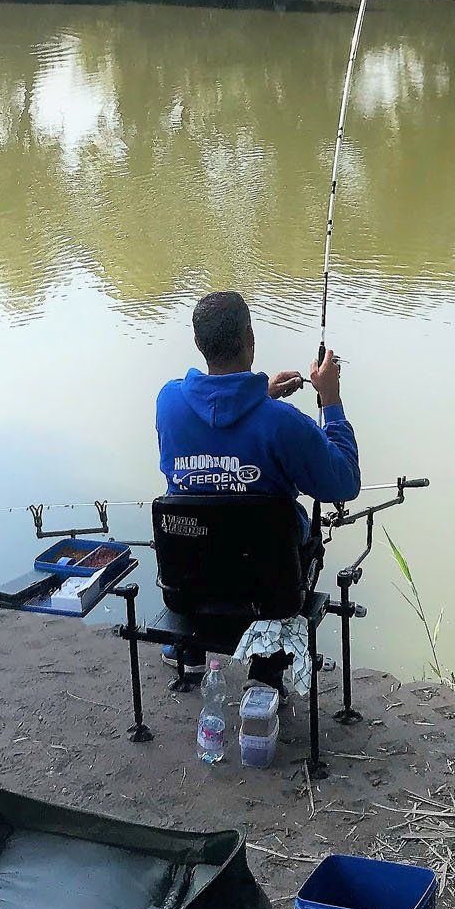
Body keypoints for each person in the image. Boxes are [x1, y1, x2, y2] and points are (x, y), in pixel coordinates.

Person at [154, 291, 361, 687]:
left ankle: (191, 652)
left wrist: (258, 394)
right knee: (293, 531)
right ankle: (266, 667)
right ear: (251, 339)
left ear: (198, 344)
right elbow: (345, 482)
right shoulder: (285, 423)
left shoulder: (169, 403)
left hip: (190, 588)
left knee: (191, 515)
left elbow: (214, 425)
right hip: (270, 591)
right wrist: (330, 400)